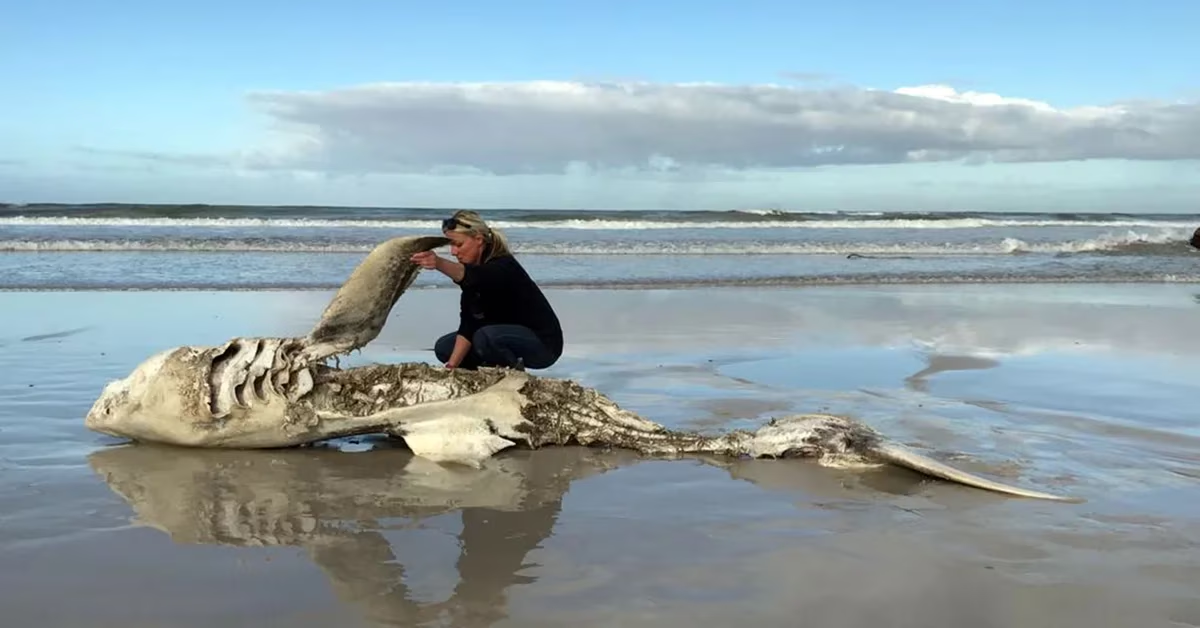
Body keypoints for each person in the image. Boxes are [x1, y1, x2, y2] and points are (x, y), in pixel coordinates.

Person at [409, 210, 563, 371]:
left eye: (459, 244)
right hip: (498, 336)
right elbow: (469, 323)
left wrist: (439, 263)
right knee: (445, 347)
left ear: (478, 239)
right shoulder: (474, 273)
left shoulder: (503, 266)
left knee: (486, 337)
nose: (454, 252)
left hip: (543, 346)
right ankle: (483, 375)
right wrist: (451, 366)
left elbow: (473, 276)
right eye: (451, 245)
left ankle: (514, 376)